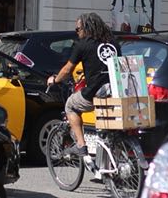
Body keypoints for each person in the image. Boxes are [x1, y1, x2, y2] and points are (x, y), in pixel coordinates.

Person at [45, 13, 118, 158]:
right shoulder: (113, 43)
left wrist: (55, 80)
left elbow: (67, 69)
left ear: (86, 28)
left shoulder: (83, 45)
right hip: (115, 92)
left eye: (78, 29)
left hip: (95, 93)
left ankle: (81, 145)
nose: (77, 33)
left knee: (70, 105)